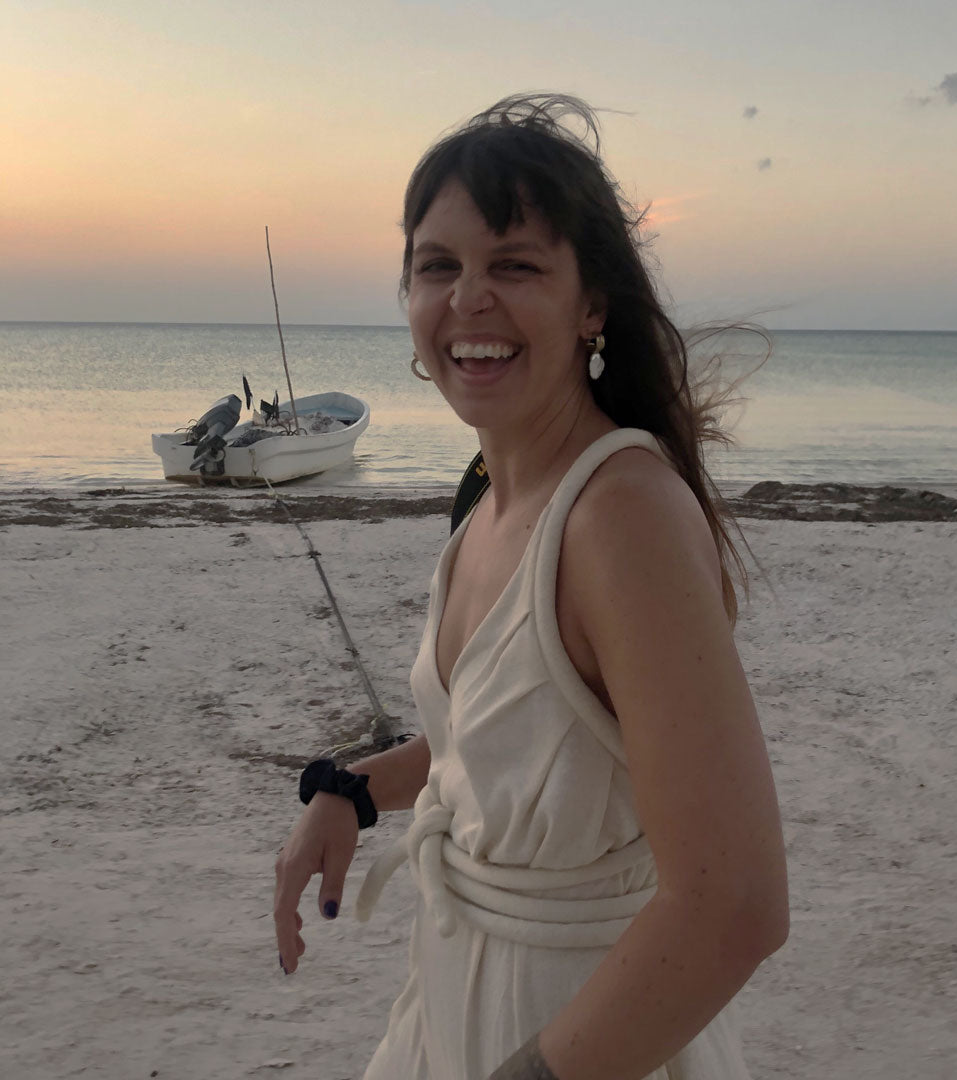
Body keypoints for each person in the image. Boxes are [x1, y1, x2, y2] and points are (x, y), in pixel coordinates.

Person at [273, 93, 788, 1080]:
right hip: (451, 1005)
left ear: (591, 303)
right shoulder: (491, 501)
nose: (469, 299)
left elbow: (736, 903)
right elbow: (506, 740)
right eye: (438, 267)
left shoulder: (621, 517)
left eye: (514, 266)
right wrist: (352, 792)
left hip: (584, 1034)